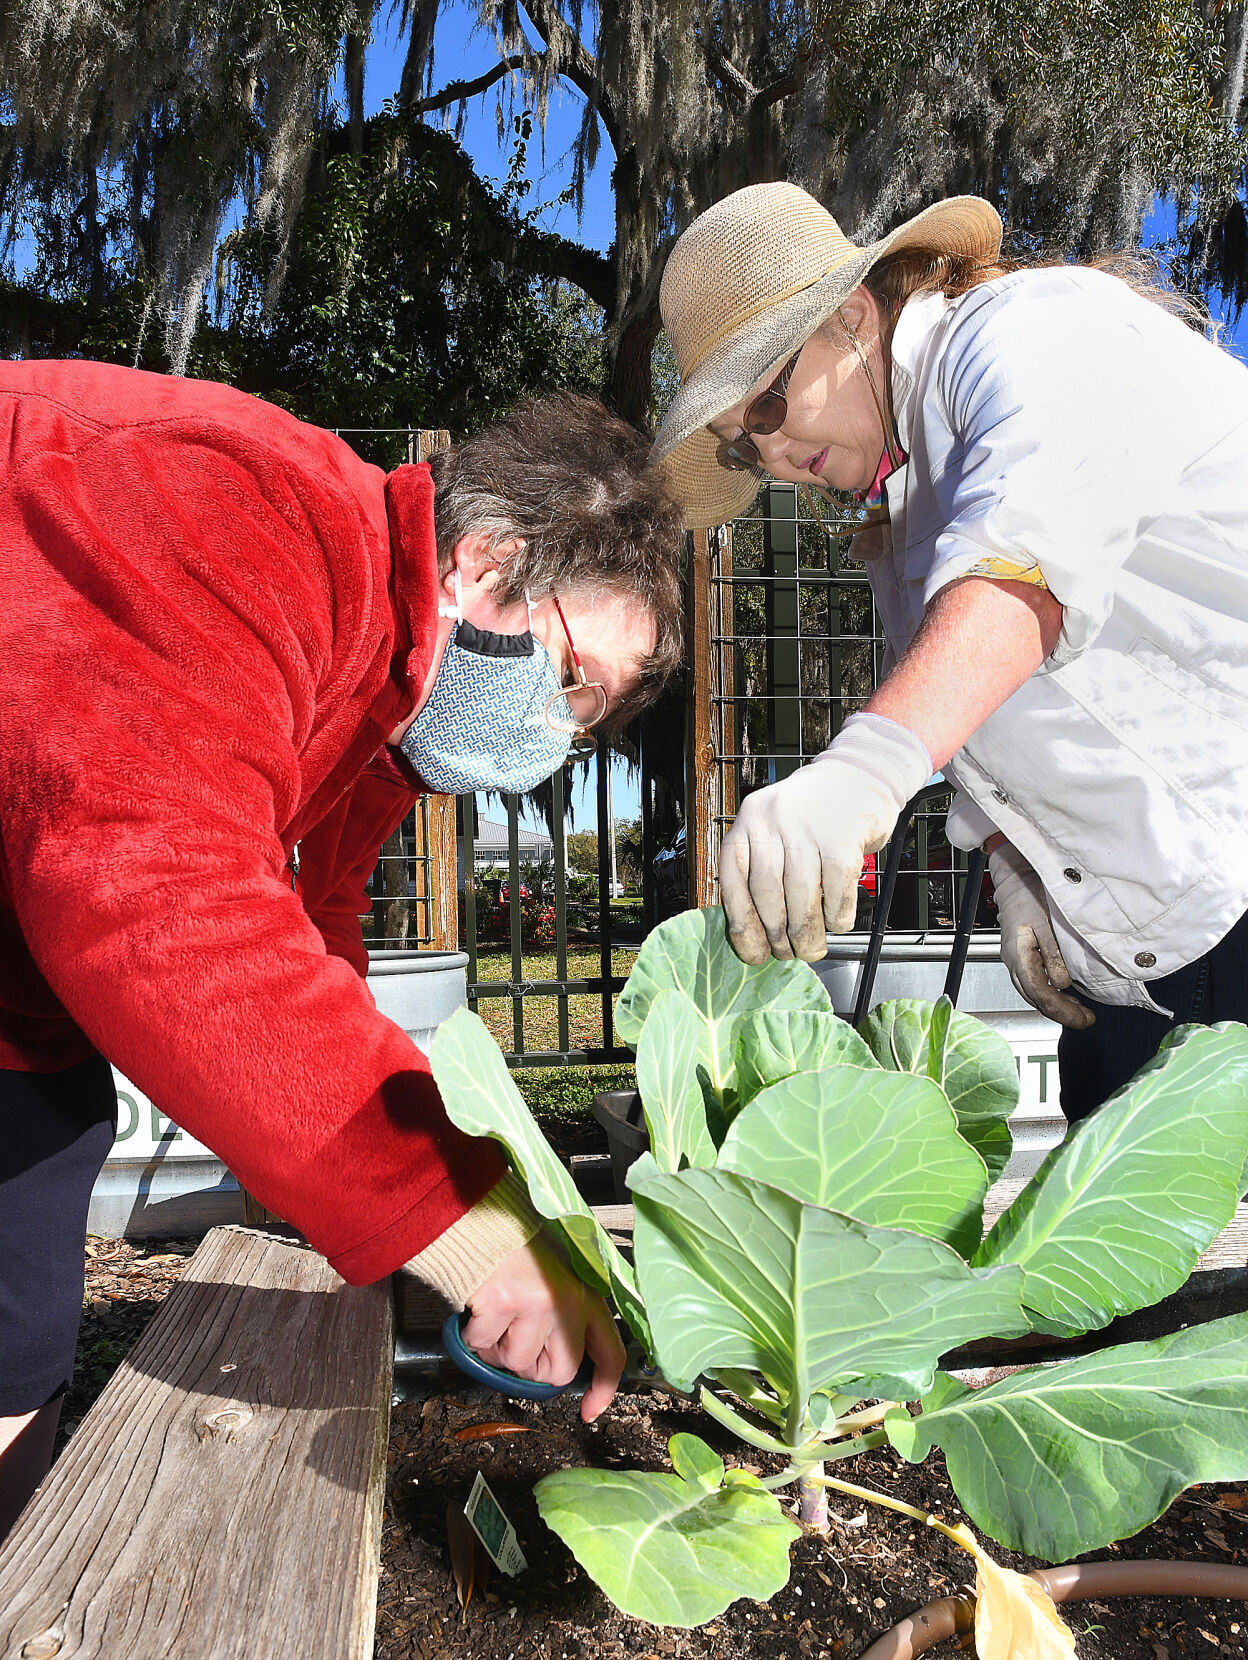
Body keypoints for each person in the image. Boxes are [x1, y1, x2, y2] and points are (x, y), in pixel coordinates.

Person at [0, 364, 683, 1537]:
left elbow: (316, 927)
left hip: (19, 1014)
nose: (562, 735)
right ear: (488, 565)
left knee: (24, 1283)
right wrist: (456, 1225)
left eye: (588, 721)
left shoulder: (388, 695)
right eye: (574, 685)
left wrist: (458, 1183)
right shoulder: (241, 510)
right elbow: (165, 899)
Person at [652, 180, 1248, 1124]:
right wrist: (1016, 871)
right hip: (1142, 967)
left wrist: (865, 767)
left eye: (765, 406)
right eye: (737, 448)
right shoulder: (903, 521)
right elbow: (993, 724)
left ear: (851, 320)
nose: (765, 458)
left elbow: (1025, 571)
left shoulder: (1032, 335)